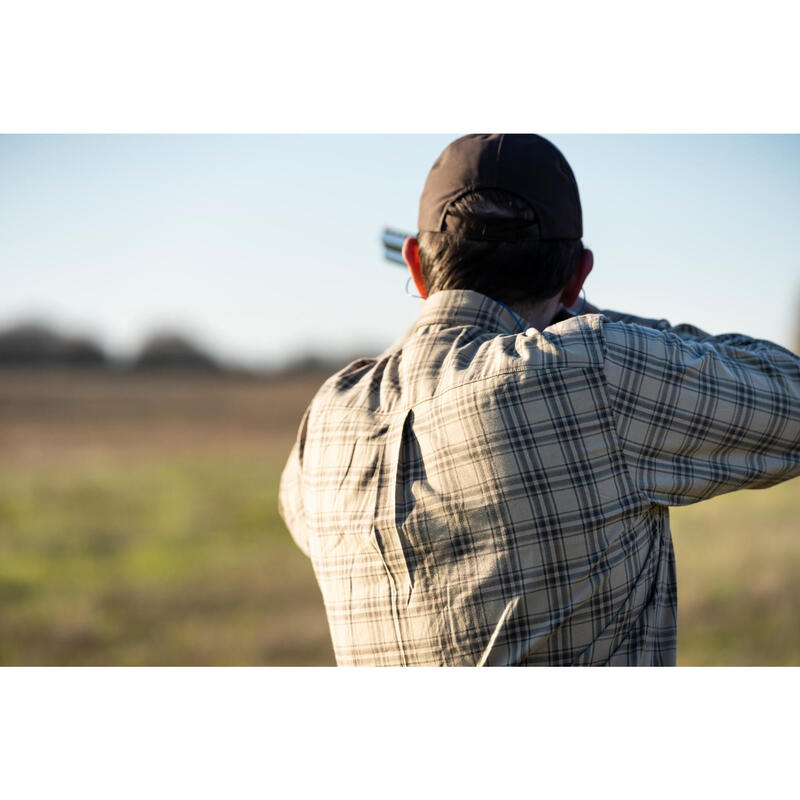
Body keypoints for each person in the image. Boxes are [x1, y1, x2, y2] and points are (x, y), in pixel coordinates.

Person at [278, 134, 800, 666]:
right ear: (576, 276)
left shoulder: (328, 414)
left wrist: (438, 314)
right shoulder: (596, 366)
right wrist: (595, 319)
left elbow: (306, 519)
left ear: (415, 263)